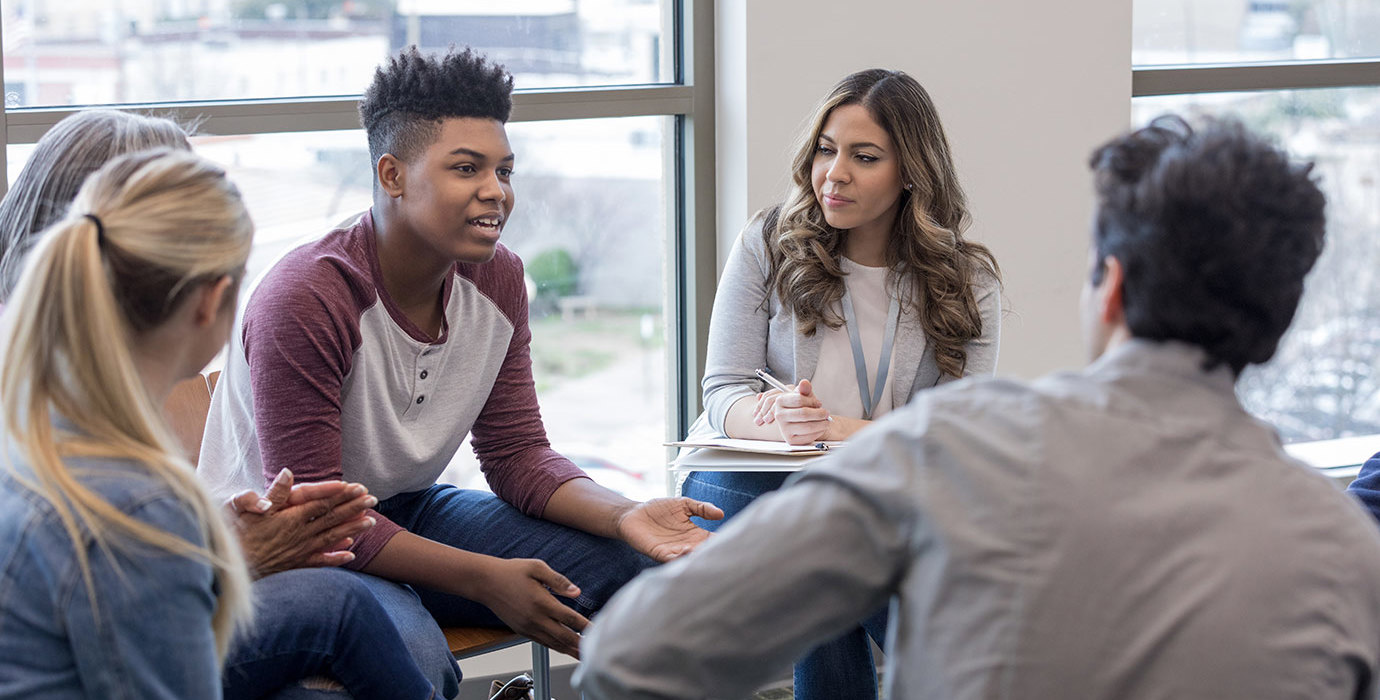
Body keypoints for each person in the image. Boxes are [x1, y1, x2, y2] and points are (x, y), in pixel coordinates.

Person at [576, 116, 1380, 699]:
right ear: (1274, 328)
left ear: (1112, 288)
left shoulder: (951, 450)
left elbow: (631, 658)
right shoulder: (1347, 551)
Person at [198, 46, 721, 661]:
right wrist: (484, 579)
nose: (495, 192)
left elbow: (516, 454)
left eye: (504, 171)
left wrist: (626, 513)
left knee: (630, 566)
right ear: (392, 175)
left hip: (411, 508)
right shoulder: (308, 297)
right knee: (410, 654)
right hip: (284, 543)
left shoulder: (497, 280)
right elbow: (322, 519)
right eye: (467, 169)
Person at [0, 113, 445, 700]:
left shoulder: (55, 404)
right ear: (210, 297)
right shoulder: (134, 494)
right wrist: (210, 552)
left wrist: (212, 544)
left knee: (339, 605)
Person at [681, 68, 1000, 697]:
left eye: (865, 156)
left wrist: (834, 431)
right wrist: (772, 417)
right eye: (827, 149)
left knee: (828, 552)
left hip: (879, 494)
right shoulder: (769, 243)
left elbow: (951, 439)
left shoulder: (966, 281)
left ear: (912, 170)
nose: (836, 173)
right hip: (751, 481)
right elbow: (720, 393)